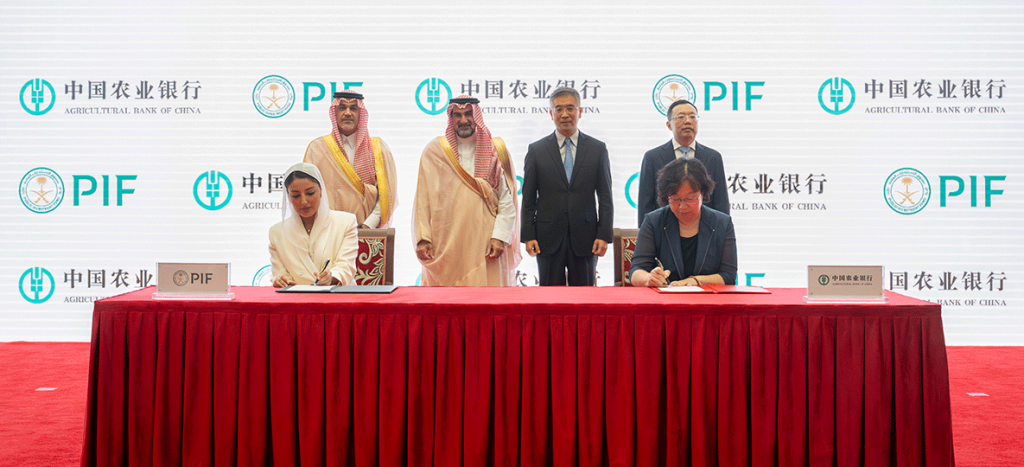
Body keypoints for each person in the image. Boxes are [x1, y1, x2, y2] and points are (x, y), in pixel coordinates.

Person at [413, 96, 521, 286]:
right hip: (446, 244)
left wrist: (499, 237)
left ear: (477, 116)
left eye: (469, 114)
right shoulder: (435, 151)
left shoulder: (495, 150)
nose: (463, 120)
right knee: (447, 301)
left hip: (486, 244)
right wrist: (423, 238)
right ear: (451, 118)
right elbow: (423, 199)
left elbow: (506, 200)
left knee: (486, 299)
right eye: (458, 115)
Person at [521, 86, 613, 286]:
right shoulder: (537, 150)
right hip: (547, 237)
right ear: (550, 113)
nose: (564, 114)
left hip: (587, 238)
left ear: (580, 112)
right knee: (550, 297)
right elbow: (528, 198)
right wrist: (528, 235)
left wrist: (604, 235)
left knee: (584, 297)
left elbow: (605, 197)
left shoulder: (597, 149)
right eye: (558, 109)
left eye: (570, 108)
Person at [630, 157, 737, 287]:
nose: (682, 206)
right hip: (664, 297)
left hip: (707, 297)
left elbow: (728, 276)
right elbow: (636, 271)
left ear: (702, 193)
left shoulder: (722, 223)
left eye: (690, 198)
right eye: (675, 199)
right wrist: (649, 278)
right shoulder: (653, 221)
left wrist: (695, 281)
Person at [302, 91, 398, 228]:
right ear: (335, 113)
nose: (347, 113)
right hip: (327, 230)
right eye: (342, 108)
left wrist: (368, 225)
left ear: (361, 114)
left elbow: (387, 195)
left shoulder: (378, 148)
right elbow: (307, 193)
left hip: (369, 232)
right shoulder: (317, 149)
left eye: (353, 108)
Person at [637, 99, 729, 227]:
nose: (688, 121)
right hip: (664, 231)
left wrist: (723, 233)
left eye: (692, 116)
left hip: (705, 232)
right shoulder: (652, 157)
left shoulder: (713, 158)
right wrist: (645, 234)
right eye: (681, 117)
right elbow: (645, 204)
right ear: (669, 125)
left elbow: (721, 203)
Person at [269, 162, 358, 287]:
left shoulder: (346, 222)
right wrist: (280, 280)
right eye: (295, 195)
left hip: (338, 294)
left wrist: (331, 277)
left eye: (310, 193)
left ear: (321, 191)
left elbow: (346, 266)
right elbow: (281, 274)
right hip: (298, 297)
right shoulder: (277, 232)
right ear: (288, 196)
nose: (303, 201)